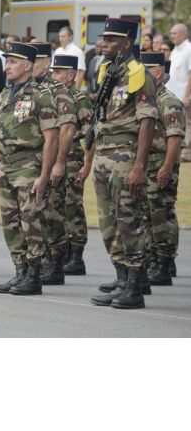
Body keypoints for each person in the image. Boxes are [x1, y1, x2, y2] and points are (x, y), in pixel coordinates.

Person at [79, 19, 158, 309]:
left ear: (126, 43)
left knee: (128, 221)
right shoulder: (108, 72)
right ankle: (122, 278)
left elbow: (147, 122)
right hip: (104, 156)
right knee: (108, 222)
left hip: (125, 157)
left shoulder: (139, 74)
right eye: (104, 39)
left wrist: (139, 166)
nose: (104, 44)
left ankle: (135, 287)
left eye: (111, 40)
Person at [0, 42, 59, 295]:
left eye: (13, 62)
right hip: (7, 167)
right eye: (6, 61)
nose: (7, 66)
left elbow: (52, 137)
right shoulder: (4, 95)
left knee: (31, 223)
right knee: (11, 224)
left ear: (28, 65)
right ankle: (20, 271)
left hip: (29, 166)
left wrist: (44, 175)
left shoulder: (40, 95)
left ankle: (34, 275)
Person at [31, 42, 77, 285]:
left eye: (35, 61)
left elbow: (68, 127)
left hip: (51, 162)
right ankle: (38, 262)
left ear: (46, 63)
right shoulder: (27, 89)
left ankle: (56, 264)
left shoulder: (58, 90)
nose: (30, 66)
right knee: (33, 214)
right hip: (31, 163)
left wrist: (59, 162)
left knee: (52, 213)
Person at [140, 52, 185, 285]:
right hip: (146, 165)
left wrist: (167, 167)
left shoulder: (168, 101)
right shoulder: (146, 98)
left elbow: (175, 138)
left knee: (161, 214)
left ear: (158, 73)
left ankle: (164, 264)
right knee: (148, 214)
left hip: (160, 165)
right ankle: (154, 260)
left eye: (145, 69)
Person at [50, 55, 93, 274]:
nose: (54, 76)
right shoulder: (54, 97)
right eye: (53, 71)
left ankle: (77, 255)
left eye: (58, 72)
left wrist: (87, 163)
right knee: (57, 206)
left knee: (72, 205)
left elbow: (89, 135)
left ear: (71, 75)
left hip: (74, 159)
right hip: (57, 159)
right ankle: (63, 249)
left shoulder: (80, 99)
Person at [165, 24, 191, 162]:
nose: (172, 36)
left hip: (184, 96)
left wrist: (187, 96)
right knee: (176, 126)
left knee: (187, 124)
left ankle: (186, 155)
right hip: (173, 96)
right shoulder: (175, 50)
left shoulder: (189, 49)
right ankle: (178, 152)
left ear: (183, 34)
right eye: (171, 33)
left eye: (174, 33)